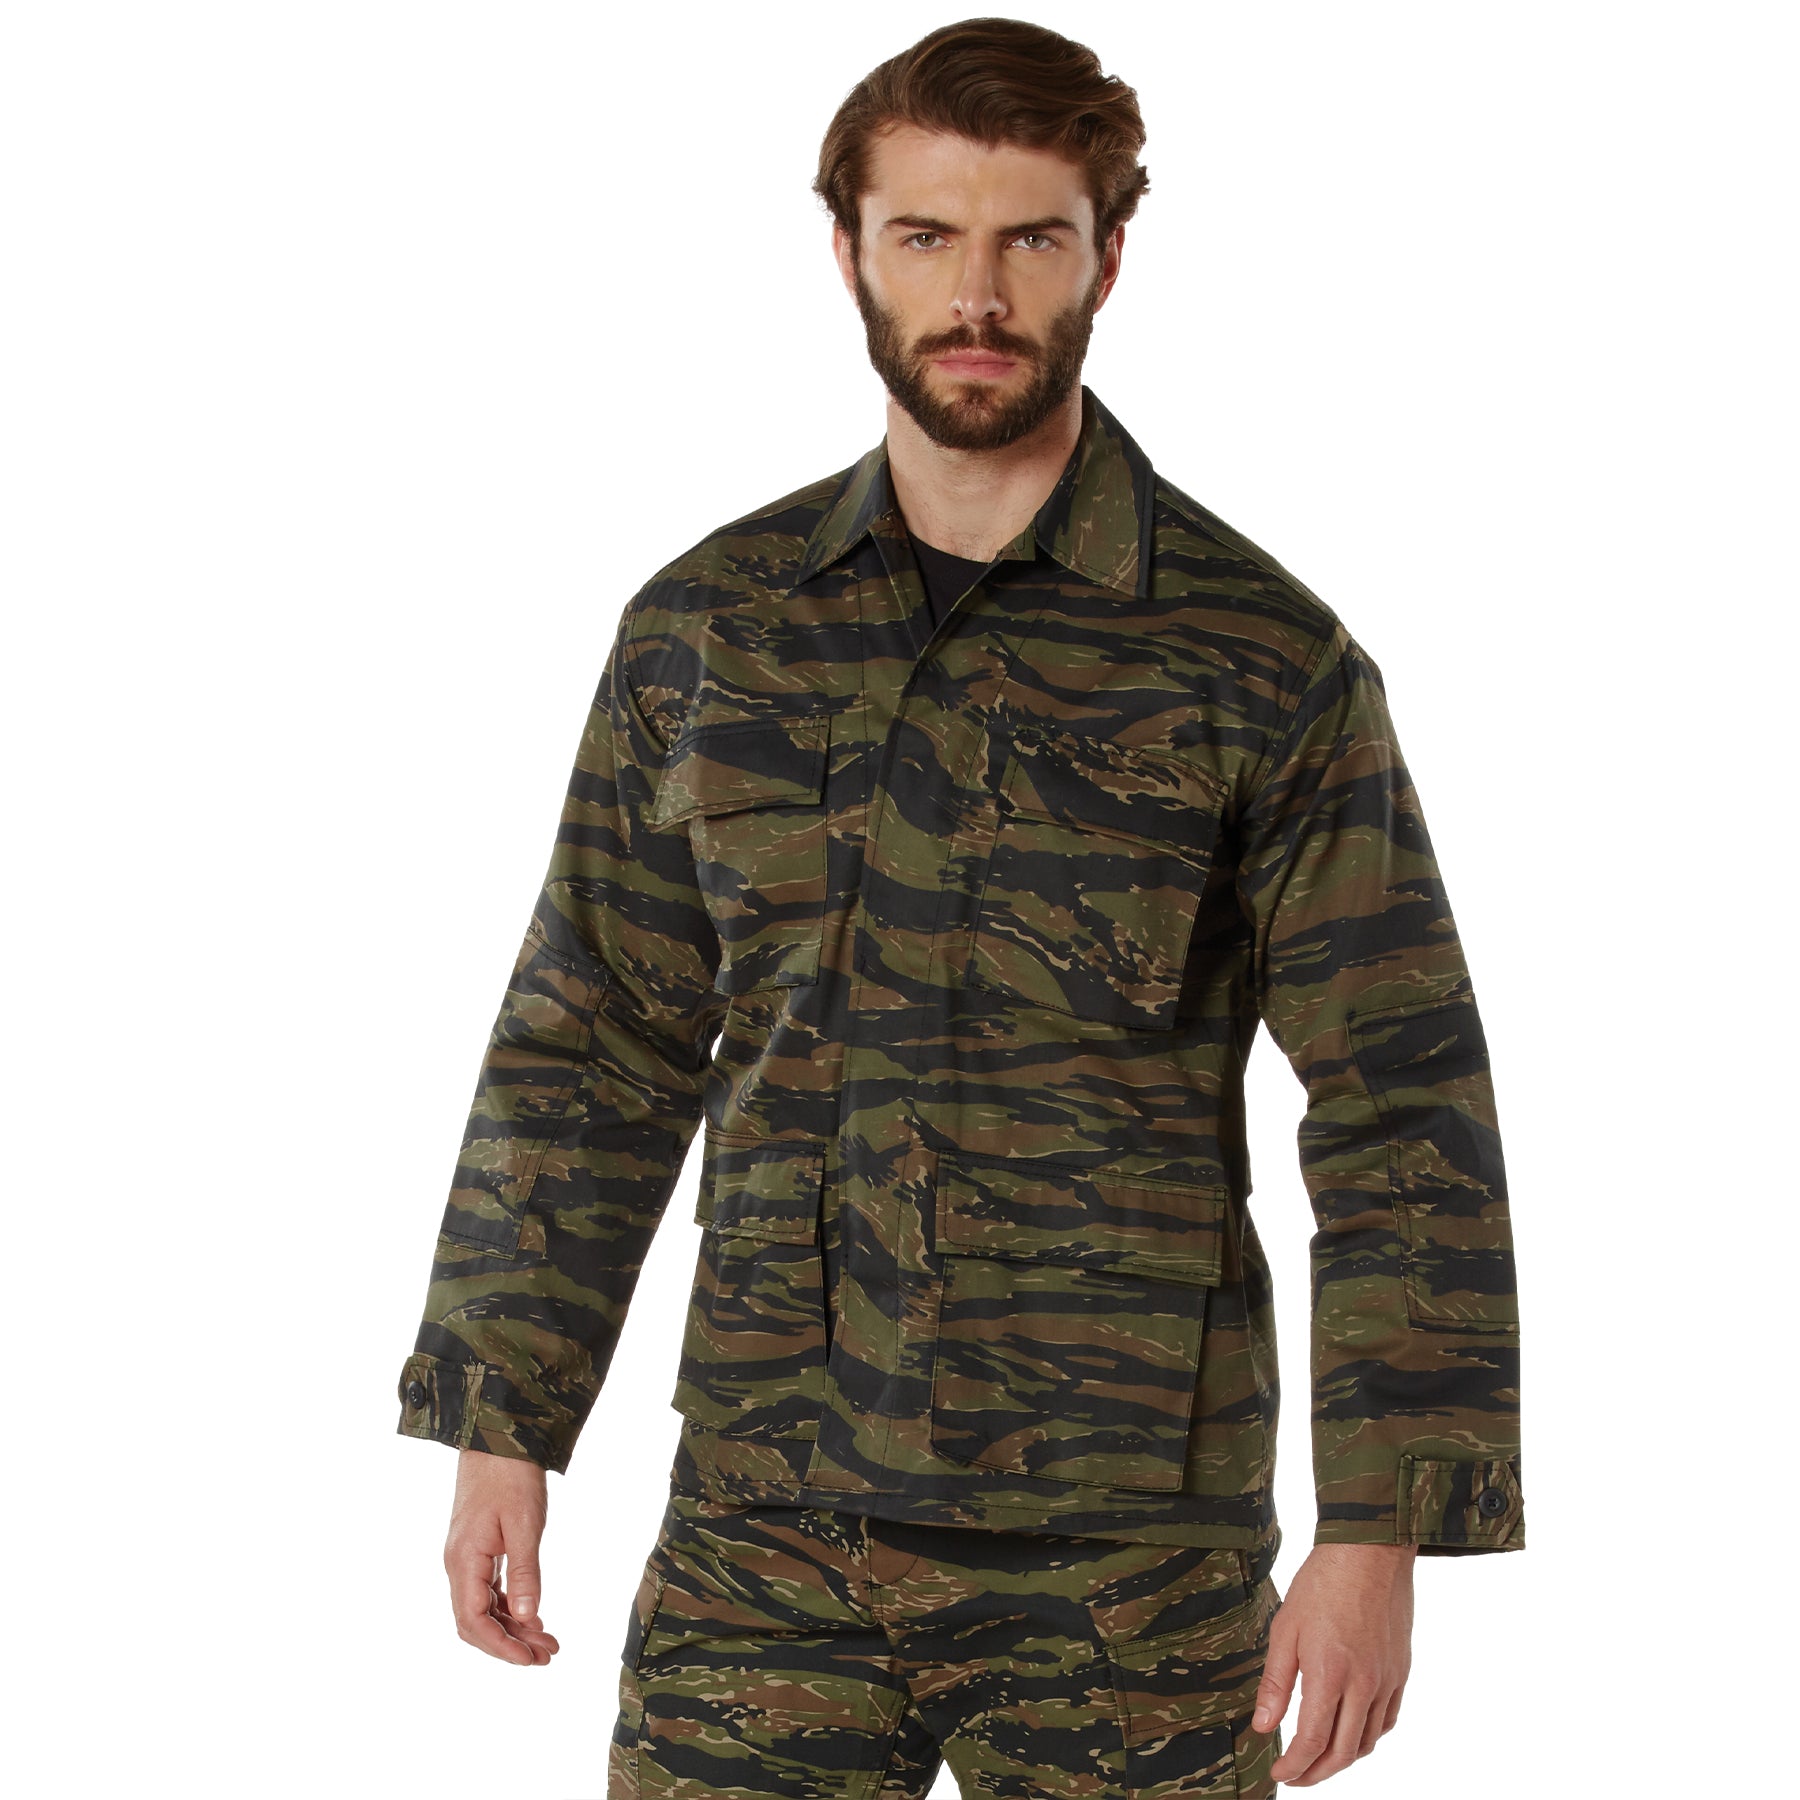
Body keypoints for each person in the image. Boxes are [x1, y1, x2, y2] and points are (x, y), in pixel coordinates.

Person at [394, 17, 1525, 1797]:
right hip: (767, 1518)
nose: (976, 295)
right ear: (849, 249)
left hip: (1128, 1555)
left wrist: (1381, 1529)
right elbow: (595, 1038)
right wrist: (501, 1417)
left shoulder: (1260, 661)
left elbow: (1401, 1100)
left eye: (1030, 240)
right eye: (926, 236)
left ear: (1109, 257)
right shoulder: (711, 632)